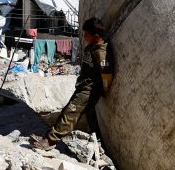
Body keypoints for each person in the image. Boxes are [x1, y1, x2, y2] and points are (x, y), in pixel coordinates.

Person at [33, 18, 114, 149]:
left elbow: (107, 74)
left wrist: (104, 89)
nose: (84, 36)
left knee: (69, 114)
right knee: (84, 114)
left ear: (96, 36)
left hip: (89, 90)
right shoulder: (92, 47)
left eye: (86, 34)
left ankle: (49, 141)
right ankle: (98, 142)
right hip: (82, 87)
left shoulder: (101, 52)